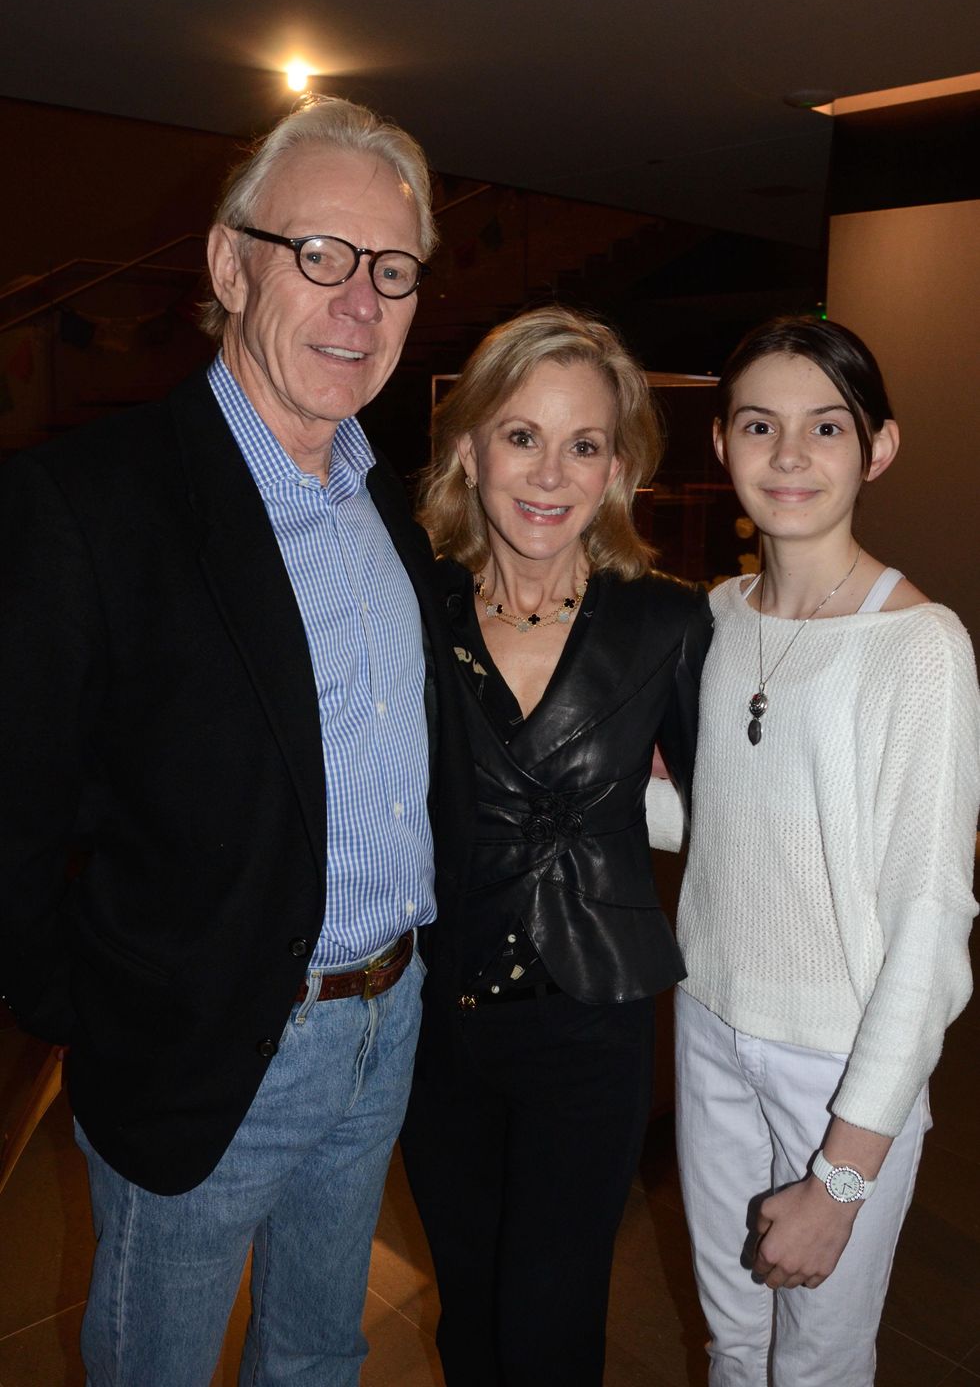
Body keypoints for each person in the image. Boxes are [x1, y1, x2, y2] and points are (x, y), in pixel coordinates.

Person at [0, 94, 471, 1386]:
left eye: (392, 271)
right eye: (320, 255)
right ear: (227, 263)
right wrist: (104, 1015)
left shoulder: (393, 504)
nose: (359, 304)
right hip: (209, 1044)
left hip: (389, 1019)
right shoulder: (85, 505)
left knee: (317, 1353)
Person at [646, 315, 980, 1386]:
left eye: (824, 427)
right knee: (732, 1338)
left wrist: (842, 1175)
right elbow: (736, 834)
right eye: (758, 424)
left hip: (836, 1061)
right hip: (706, 1021)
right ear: (720, 445)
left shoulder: (918, 648)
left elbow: (928, 926)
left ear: (876, 447)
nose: (788, 456)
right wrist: (618, 798)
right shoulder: (713, 618)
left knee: (819, 1360)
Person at [399, 305, 713, 1386]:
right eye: (521, 434)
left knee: (551, 1317)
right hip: (438, 1016)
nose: (548, 472)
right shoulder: (411, 602)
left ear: (617, 466)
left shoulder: (664, 623)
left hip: (593, 1019)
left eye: (583, 443)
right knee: (468, 1306)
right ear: (470, 445)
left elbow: (725, 812)